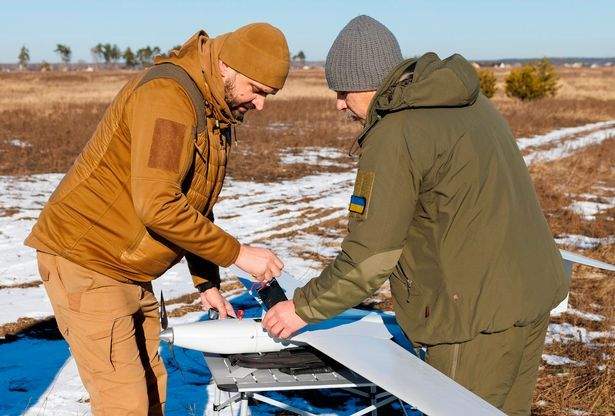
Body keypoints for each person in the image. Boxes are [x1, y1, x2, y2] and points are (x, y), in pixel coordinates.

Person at [262, 15, 568, 415]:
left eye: (342, 91)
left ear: (366, 80)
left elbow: (370, 256)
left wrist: (301, 308)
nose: (339, 104)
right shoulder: (471, 103)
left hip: (470, 321)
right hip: (529, 297)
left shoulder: (396, 133)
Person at [25, 23, 289, 415]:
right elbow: (159, 204)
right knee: (125, 405)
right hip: (87, 260)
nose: (261, 104)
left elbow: (193, 201)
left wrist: (206, 279)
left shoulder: (212, 109)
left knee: (152, 390)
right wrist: (238, 254)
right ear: (228, 66)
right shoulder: (169, 98)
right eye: (258, 90)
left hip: (126, 266)